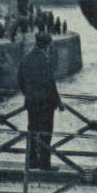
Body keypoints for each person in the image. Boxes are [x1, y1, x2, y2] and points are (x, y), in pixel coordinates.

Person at [18, 31, 62, 170]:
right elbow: (50, 83)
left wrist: (28, 94)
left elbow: (20, 80)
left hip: (31, 102)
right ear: (47, 45)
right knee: (46, 133)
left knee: (32, 131)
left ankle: (31, 161)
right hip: (46, 103)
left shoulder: (26, 58)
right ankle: (45, 164)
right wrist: (58, 102)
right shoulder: (45, 60)